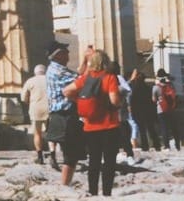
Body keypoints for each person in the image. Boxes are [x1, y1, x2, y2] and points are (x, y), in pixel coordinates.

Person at [67, 49, 122, 197]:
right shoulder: (110, 77)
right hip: (109, 124)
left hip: (90, 126)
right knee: (109, 161)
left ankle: (92, 192)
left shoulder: (85, 79)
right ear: (106, 62)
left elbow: (66, 91)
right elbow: (114, 101)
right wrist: (120, 101)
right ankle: (107, 193)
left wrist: (78, 101)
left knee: (94, 161)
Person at [46, 42, 83, 188]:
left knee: (72, 153)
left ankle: (66, 183)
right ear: (58, 55)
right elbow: (81, 80)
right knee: (70, 153)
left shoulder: (57, 69)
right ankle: (64, 185)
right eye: (65, 52)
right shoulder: (58, 71)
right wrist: (90, 63)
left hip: (63, 115)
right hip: (64, 115)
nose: (68, 54)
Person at [21, 63, 50, 163]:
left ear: (35, 72)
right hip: (49, 109)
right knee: (51, 133)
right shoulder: (50, 80)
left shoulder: (30, 81)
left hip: (36, 109)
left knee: (37, 133)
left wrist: (29, 101)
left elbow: (23, 97)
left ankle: (40, 156)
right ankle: (53, 155)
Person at [125, 68, 156, 151]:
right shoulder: (148, 88)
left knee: (141, 129)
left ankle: (144, 145)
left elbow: (132, 100)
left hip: (137, 111)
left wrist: (132, 110)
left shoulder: (134, 88)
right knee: (150, 128)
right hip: (146, 111)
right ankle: (156, 144)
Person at [153, 70, 180, 149]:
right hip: (171, 109)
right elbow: (175, 95)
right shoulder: (171, 85)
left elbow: (154, 100)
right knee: (174, 127)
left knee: (164, 128)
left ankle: (166, 145)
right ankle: (177, 144)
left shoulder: (156, 87)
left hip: (161, 110)